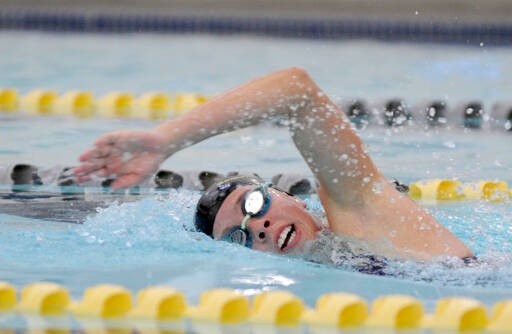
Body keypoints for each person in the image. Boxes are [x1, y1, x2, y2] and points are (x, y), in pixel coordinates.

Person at [74, 67, 474, 262]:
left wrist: (166, 140)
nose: (257, 228)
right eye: (238, 237)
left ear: (286, 196)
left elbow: (296, 92)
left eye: (253, 206)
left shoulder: (363, 211)